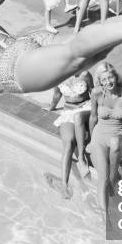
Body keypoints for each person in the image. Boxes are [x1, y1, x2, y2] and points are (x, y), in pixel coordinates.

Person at [89, 62, 122, 214]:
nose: (108, 82)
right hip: (100, 135)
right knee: (102, 178)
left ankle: (114, 179)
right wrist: (90, 141)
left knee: (115, 143)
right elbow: (93, 117)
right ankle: (104, 215)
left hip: (120, 133)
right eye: (104, 80)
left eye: (110, 78)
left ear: (116, 77)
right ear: (99, 82)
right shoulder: (96, 93)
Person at [45, 70, 94, 199]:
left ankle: (82, 159)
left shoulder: (85, 74)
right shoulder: (58, 76)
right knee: (69, 143)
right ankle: (64, 185)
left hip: (86, 109)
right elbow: (57, 95)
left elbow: (94, 93)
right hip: (68, 111)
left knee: (79, 128)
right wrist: (51, 107)